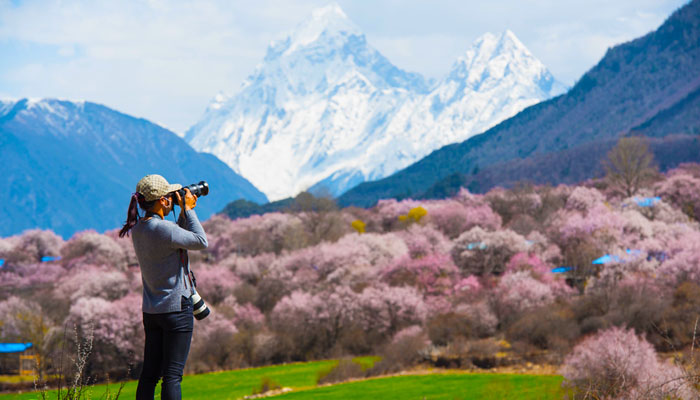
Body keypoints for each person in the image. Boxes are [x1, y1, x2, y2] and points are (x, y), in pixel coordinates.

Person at [118, 174, 208, 400]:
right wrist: (189, 210)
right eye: (169, 196)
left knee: (150, 375)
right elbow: (200, 240)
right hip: (177, 309)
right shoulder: (164, 230)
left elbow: (174, 238)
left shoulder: (139, 229)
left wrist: (183, 212)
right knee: (172, 376)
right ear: (163, 201)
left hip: (152, 311)